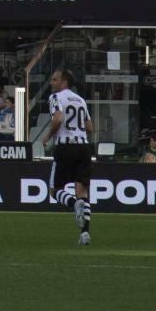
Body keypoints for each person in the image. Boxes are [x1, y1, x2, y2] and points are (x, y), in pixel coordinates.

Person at [38, 67, 95, 246]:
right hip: (84, 147)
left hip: (65, 146)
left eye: (55, 80)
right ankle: (85, 233)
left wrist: (47, 136)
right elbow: (90, 127)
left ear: (64, 82)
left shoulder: (56, 97)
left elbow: (58, 118)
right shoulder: (80, 100)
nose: (51, 83)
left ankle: (72, 204)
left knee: (55, 190)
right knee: (83, 192)